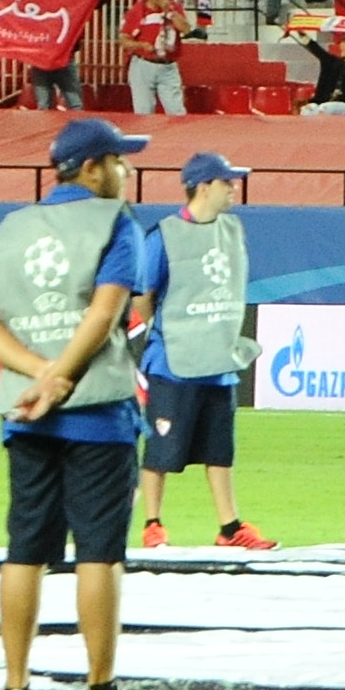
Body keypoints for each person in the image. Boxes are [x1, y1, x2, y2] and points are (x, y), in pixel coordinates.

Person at [0, 117, 151, 690]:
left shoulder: (8, 228)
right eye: (120, 162)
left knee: (25, 549)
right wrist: (63, 376)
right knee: (99, 552)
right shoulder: (115, 223)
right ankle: (100, 687)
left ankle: (14, 683)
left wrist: (35, 374)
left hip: (24, 413)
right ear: (93, 167)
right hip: (97, 411)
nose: (126, 172)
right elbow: (104, 315)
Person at [124, 151, 267, 551]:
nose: (233, 188)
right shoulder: (164, 235)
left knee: (220, 452)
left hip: (218, 360)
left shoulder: (232, 229)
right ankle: (153, 525)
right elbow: (143, 295)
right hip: (173, 363)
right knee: (159, 450)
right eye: (226, 182)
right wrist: (168, 330)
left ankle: (229, 527)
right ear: (203, 186)